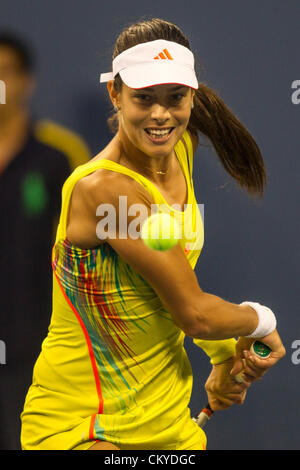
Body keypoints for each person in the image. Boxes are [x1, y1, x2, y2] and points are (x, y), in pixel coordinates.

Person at [20, 18, 285, 451]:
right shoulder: (104, 190)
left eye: (175, 98)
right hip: (85, 426)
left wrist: (222, 359)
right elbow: (195, 314)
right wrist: (261, 321)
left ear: (192, 96)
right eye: (144, 98)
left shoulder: (180, 147)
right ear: (115, 94)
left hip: (168, 423)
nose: (160, 114)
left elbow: (169, 283)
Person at [0, 32, 90, 450]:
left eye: (5, 73)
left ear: (26, 81)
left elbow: (90, 259)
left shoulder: (61, 155)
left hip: (36, 353)